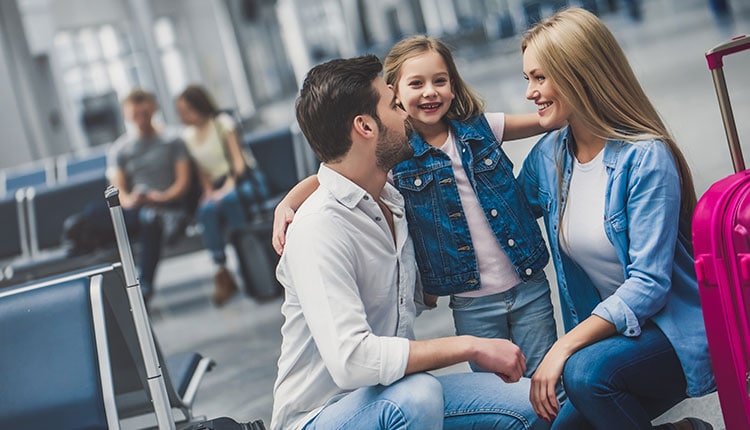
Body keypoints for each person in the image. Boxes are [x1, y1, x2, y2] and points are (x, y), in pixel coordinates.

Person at [271, 54, 546, 430]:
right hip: (322, 415)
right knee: (416, 398)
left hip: (392, 392)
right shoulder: (319, 228)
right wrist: (471, 345)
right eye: (392, 103)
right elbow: (352, 361)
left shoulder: (394, 200)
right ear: (366, 126)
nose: (405, 113)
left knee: (530, 404)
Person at [517, 8, 715, 429]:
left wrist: (562, 349)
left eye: (540, 77)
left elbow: (649, 285)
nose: (530, 93)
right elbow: (503, 217)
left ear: (578, 74)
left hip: (671, 335)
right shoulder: (550, 156)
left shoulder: (645, 158)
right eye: (527, 79)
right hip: (611, 344)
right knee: (542, 427)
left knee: (586, 376)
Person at [106, 88, 192, 303]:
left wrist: (160, 198)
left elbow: (183, 183)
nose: (141, 120)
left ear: (154, 109)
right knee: (136, 217)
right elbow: (119, 192)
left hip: (167, 205)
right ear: (126, 115)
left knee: (150, 218)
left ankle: (144, 285)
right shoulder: (120, 149)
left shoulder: (173, 140)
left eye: (144, 114)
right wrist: (131, 200)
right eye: (135, 115)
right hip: (136, 208)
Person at [175, 84, 257, 306]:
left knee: (230, 200)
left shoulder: (222, 124)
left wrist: (226, 188)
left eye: (186, 110)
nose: (183, 116)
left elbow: (239, 164)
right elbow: (202, 172)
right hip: (215, 185)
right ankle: (221, 269)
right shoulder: (188, 137)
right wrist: (209, 192)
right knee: (206, 209)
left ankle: (247, 259)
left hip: (239, 180)